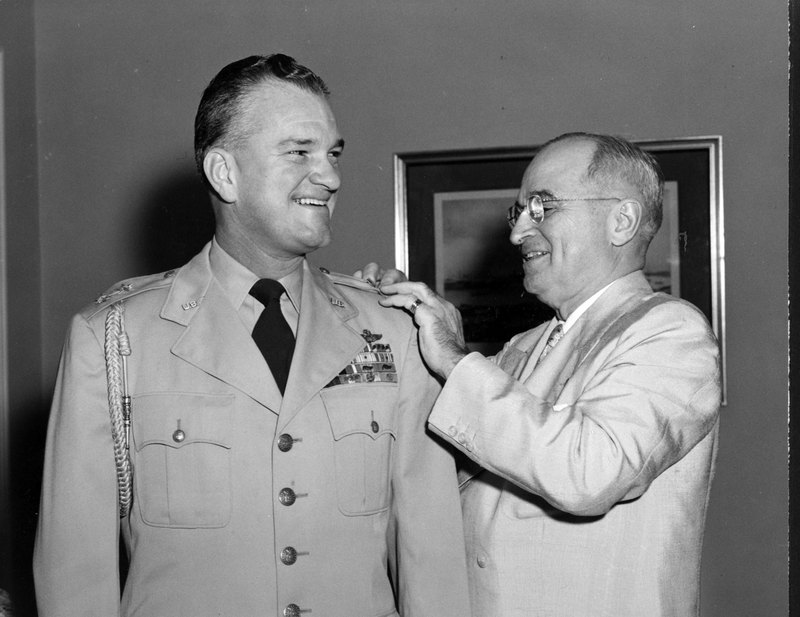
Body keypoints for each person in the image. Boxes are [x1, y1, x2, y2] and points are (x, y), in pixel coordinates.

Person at [33, 54, 470, 617]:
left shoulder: (393, 330)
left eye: (333, 154)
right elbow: (76, 584)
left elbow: (432, 565)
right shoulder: (115, 340)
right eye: (299, 152)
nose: (332, 177)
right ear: (225, 173)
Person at [379, 132, 721, 616]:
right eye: (517, 211)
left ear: (621, 221)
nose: (518, 232)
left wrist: (455, 360)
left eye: (542, 207)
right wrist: (389, 324)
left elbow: (588, 474)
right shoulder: (525, 346)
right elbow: (443, 459)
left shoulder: (671, 332)